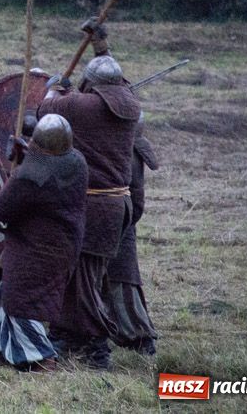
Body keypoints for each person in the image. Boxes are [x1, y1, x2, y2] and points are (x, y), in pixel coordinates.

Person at [37, 20, 139, 369]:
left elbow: (44, 112)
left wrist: (55, 87)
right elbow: (118, 81)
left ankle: (98, 348)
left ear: (91, 84)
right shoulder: (129, 103)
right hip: (117, 204)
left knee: (84, 282)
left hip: (93, 206)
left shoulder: (82, 107)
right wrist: (101, 45)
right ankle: (66, 335)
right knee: (78, 274)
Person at [0, 114, 88, 371]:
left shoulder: (29, 175)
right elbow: (49, 165)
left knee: (21, 302)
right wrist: (28, 153)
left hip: (35, 249)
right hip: (66, 244)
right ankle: (2, 346)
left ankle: (41, 357)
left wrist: (12, 174)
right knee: (6, 291)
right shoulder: (77, 161)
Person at [106, 121, 159, 355]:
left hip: (120, 223)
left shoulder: (129, 150)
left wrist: (122, 223)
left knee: (122, 282)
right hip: (115, 219)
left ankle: (139, 337)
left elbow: (135, 202)